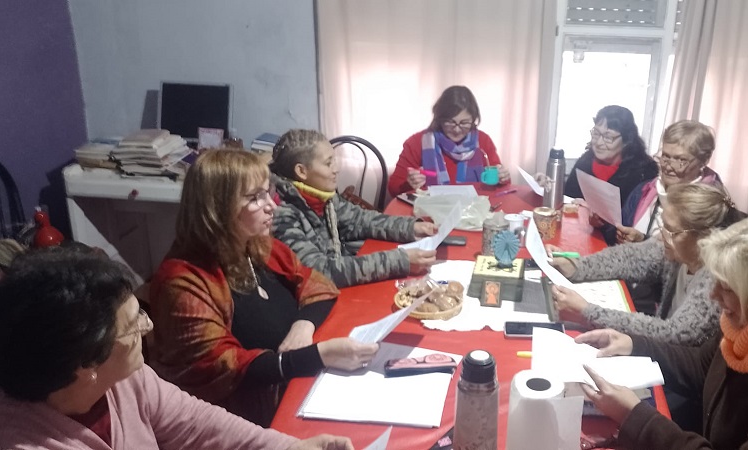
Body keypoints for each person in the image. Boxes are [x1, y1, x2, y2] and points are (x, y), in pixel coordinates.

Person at [0, 248, 353, 450]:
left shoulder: (123, 377)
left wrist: (290, 448)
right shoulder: (10, 440)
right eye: (133, 325)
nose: (148, 327)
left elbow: (197, 424)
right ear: (85, 363)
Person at [578, 215, 748, 449]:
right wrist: (633, 344)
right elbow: (703, 365)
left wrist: (636, 417)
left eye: (726, 288)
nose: (713, 295)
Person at [148, 149, 378, 426]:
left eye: (268, 192)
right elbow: (224, 367)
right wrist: (318, 356)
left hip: (293, 392)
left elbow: (318, 286)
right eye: (255, 197)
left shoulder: (259, 246)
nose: (272, 206)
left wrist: (303, 326)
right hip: (239, 424)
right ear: (217, 208)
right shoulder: (182, 283)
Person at [547, 183, 742, 345]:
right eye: (663, 225)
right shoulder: (678, 251)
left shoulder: (716, 281)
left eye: (672, 231)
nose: (662, 235)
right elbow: (630, 258)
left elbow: (673, 334)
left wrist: (587, 312)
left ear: (704, 238)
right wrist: (576, 266)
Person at [270, 129, 438, 288]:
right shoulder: (281, 215)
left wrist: (412, 227)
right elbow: (320, 272)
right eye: (328, 163)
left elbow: (360, 220)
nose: (336, 169)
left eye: (334, 160)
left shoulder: (323, 196)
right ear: (301, 171)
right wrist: (399, 261)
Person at [615, 120, 724, 244]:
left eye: (681, 160)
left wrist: (643, 241)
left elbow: (696, 253)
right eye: (665, 156)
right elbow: (619, 227)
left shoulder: (712, 207)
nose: (668, 167)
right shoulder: (644, 190)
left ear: (704, 161)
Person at [388, 85, 510, 196]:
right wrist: (410, 184)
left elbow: (501, 186)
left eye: (464, 123)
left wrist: (503, 178)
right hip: (431, 209)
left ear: (473, 120)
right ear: (439, 119)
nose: (457, 129)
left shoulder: (483, 141)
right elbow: (393, 188)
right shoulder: (417, 142)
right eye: (450, 122)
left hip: (474, 209)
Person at [562, 105, 658, 208]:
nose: (599, 143)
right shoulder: (585, 162)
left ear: (626, 141)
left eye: (608, 137)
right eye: (596, 133)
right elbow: (568, 199)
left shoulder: (643, 172)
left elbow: (639, 214)